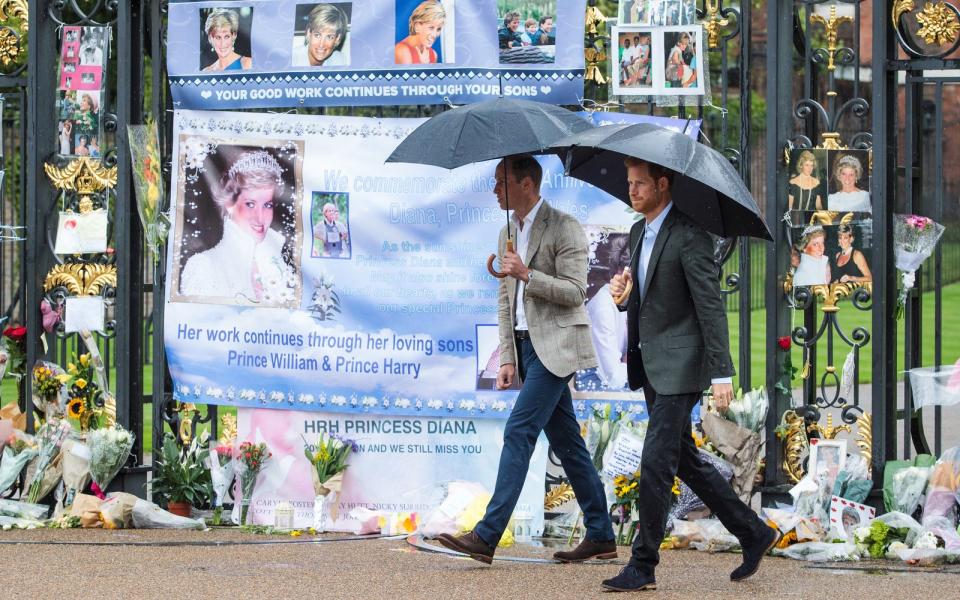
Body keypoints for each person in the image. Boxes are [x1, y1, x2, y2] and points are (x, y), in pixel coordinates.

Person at [602, 158, 778, 592]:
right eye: (629, 183)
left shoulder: (691, 235)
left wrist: (721, 373)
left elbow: (710, 307)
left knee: (655, 464)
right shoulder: (640, 231)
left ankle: (642, 565)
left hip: (681, 367)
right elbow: (652, 299)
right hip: (651, 364)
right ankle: (753, 531)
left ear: (663, 184)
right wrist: (626, 299)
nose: (632, 190)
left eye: (640, 183)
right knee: (685, 461)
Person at [437, 154, 616, 565]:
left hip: (557, 348)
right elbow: (505, 300)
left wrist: (527, 275)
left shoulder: (565, 226)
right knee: (569, 444)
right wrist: (506, 356)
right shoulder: (508, 233)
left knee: (519, 432)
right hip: (525, 347)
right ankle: (602, 535)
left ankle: (486, 535)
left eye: (501, 181)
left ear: (527, 185)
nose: (494, 189)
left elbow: (575, 292)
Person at [179, 150, 296, 304]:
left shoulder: (276, 264)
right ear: (229, 204)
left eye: (267, 205)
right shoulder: (203, 266)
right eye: (250, 204)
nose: (260, 217)